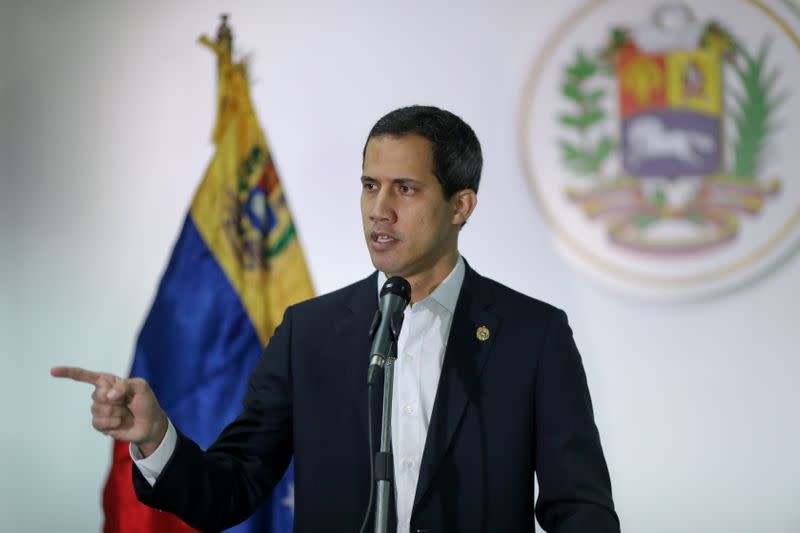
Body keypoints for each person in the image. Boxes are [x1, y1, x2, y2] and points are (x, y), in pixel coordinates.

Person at [52, 105, 620, 533]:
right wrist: (155, 438)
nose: (380, 208)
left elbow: (581, 509)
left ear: (460, 205)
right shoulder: (309, 333)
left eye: (406, 188)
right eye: (370, 185)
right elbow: (233, 488)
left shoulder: (533, 334)